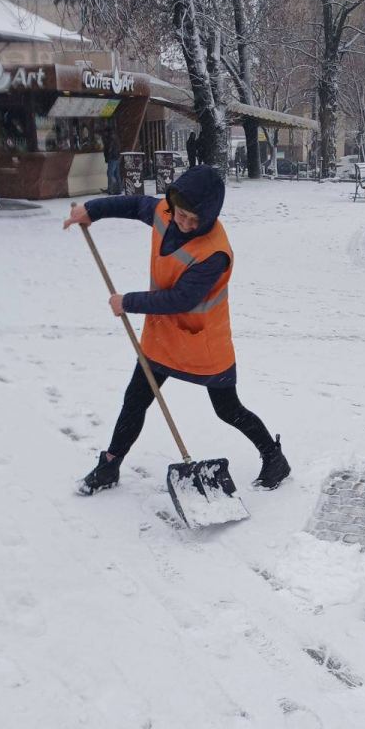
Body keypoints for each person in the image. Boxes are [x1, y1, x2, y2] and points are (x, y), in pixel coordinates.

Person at [64, 164, 290, 496]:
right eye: (180, 214)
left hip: (203, 342)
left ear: (209, 217)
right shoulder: (166, 212)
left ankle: (274, 458)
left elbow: (182, 298)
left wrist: (128, 302)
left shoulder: (215, 253)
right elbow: (134, 205)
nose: (183, 223)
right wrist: (91, 210)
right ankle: (110, 465)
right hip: (162, 335)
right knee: (135, 399)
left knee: (227, 409)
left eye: (193, 219)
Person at [103, 126, 122, 194]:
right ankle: (119, 189)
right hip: (117, 157)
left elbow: (109, 148)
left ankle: (110, 189)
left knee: (110, 173)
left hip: (112, 158)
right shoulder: (115, 137)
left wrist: (108, 156)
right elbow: (118, 147)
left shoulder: (110, 138)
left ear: (107, 132)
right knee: (117, 174)